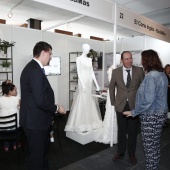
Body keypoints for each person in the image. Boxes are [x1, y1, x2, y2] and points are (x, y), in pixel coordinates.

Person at [20, 41, 65, 170]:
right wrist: (56, 108)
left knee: (40, 156)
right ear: (44, 52)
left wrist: (51, 103)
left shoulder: (32, 67)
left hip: (34, 121)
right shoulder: (35, 70)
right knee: (37, 159)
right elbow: (39, 101)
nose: (51, 57)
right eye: (50, 53)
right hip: (36, 123)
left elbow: (36, 96)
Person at [123, 49, 168, 170]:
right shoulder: (162, 74)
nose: (141, 62)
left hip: (151, 117)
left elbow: (148, 100)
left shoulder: (151, 77)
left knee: (149, 148)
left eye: (143, 59)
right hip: (159, 115)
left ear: (147, 60)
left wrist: (134, 112)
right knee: (155, 146)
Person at [109, 51, 144, 165]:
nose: (129, 61)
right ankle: (120, 152)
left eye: (131, 58)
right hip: (121, 105)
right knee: (122, 131)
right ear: (121, 60)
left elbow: (142, 89)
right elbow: (111, 87)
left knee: (133, 131)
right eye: (126, 59)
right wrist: (114, 102)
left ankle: (132, 154)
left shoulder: (139, 71)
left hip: (134, 106)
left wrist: (140, 104)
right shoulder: (115, 72)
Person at [65, 44, 102, 133]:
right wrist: (82, 84)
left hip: (89, 82)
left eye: (88, 49)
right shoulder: (79, 59)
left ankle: (89, 123)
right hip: (83, 82)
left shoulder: (89, 59)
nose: (87, 50)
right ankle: (80, 123)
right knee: (82, 100)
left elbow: (92, 72)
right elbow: (79, 73)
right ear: (83, 49)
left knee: (89, 100)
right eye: (86, 49)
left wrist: (96, 84)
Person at [95, 65, 117, 144]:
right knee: (110, 112)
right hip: (112, 92)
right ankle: (108, 133)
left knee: (116, 113)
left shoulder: (116, 68)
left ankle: (115, 131)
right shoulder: (111, 70)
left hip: (117, 92)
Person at [0, 82, 20, 151]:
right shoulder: (16, 99)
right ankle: (15, 144)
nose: (16, 91)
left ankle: (6, 146)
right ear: (10, 91)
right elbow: (18, 96)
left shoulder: (0, 99)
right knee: (18, 125)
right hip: (14, 128)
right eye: (15, 90)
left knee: (5, 126)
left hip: (2, 128)